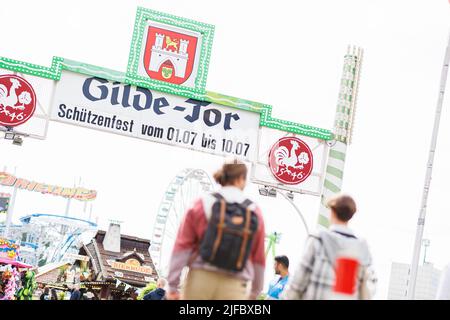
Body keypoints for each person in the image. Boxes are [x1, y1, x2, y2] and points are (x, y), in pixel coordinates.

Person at [167, 160, 266, 300]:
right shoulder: (254, 212)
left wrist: (172, 285)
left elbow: (182, 247)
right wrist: (254, 291)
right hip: (235, 285)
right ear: (241, 179)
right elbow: (259, 258)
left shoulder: (201, 204)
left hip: (200, 279)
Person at [282, 194, 377, 300]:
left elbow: (298, 282)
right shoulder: (361, 249)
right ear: (351, 215)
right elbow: (369, 289)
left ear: (332, 211)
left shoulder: (318, 240)